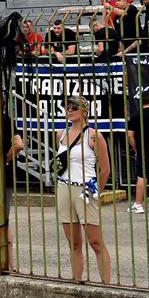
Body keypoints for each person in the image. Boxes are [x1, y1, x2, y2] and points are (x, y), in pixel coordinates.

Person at [57, 95, 112, 283]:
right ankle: (76, 280)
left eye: (74, 107)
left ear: (84, 111)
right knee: (73, 241)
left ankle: (107, 283)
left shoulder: (94, 135)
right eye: (67, 107)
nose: (70, 111)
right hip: (65, 187)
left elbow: (105, 169)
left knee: (95, 241)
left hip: (85, 188)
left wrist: (96, 190)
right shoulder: (60, 134)